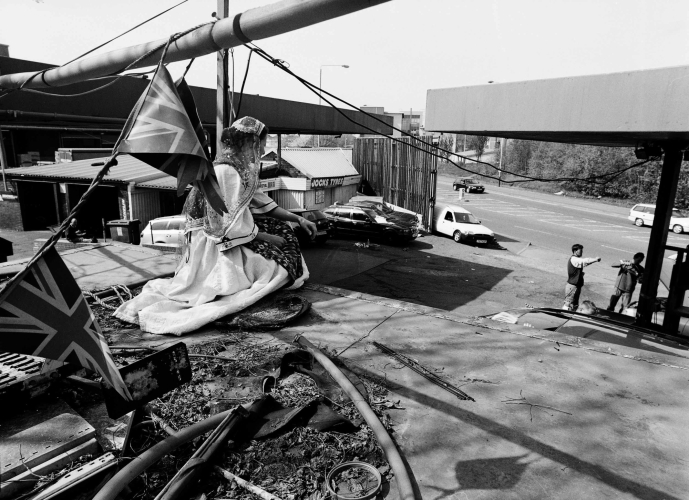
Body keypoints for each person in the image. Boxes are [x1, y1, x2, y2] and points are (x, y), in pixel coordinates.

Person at [114, 116, 317, 335]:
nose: (263, 148)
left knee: (284, 231)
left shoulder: (240, 169)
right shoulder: (227, 170)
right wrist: (266, 238)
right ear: (250, 142)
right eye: (262, 143)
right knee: (273, 267)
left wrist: (298, 219)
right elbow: (225, 223)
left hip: (234, 231)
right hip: (212, 240)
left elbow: (264, 204)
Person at [563, 243, 601, 311]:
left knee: (574, 304)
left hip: (576, 285)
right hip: (572, 286)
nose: (582, 252)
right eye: (580, 250)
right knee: (568, 303)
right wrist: (595, 259)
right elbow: (584, 261)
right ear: (575, 251)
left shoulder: (576, 259)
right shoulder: (574, 259)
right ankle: (564, 315)